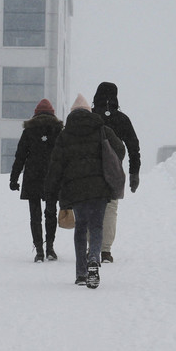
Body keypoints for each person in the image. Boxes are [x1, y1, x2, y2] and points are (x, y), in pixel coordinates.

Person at [45, 94, 125, 289]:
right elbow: (120, 150)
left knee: (81, 227)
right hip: (99, 188)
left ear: (72, 114)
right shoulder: (102, 130)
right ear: (89, 112)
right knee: (96, 226)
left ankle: (81, 273)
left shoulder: (65, 135)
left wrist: (51, 192)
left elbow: (56, 165)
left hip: (76, 189)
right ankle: (93, 259)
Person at [91, 82, 140, 263]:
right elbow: (134, 147)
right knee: (110, 208)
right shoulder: (121, 119)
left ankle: (92, 247)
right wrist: (134, 173)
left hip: (91, 168)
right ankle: (105, 251)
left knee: (91, 207)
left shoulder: (91, 116)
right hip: (114, 169)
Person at [9, 98, 64, 263]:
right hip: (52, 176)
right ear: (52, 114)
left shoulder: (29, 131)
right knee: (51, 213)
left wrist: (14, 179)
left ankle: (39, 249)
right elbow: (65, 156)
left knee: (35, 216)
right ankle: (50, 248)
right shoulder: (59, 131)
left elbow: (20, 157)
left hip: (33, 176)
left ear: (35, 114)